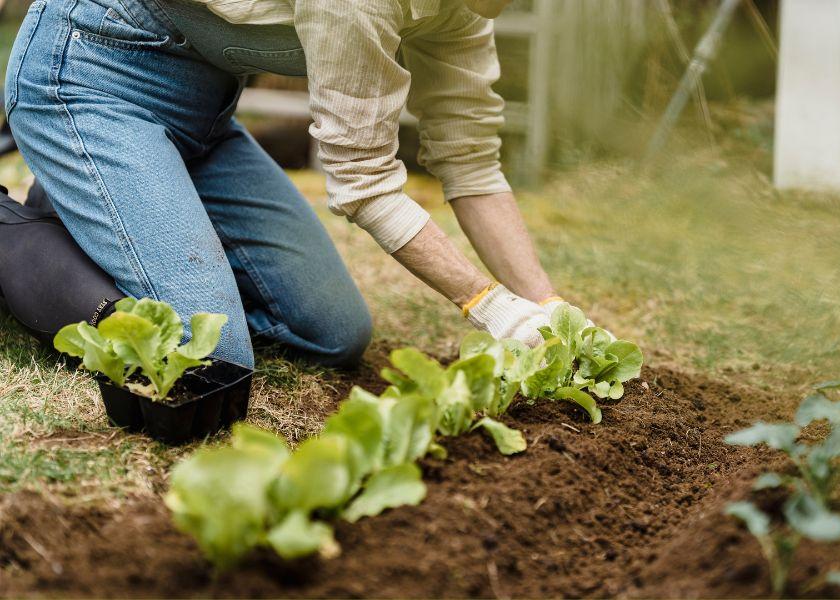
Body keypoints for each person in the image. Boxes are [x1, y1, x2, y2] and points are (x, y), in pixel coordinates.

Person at [4, 0, 586, 370]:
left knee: (334, 333)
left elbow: (471, 161)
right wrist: (488, 305)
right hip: (89, 75)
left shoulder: (467, 10)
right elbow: (363, 183)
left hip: (203, 115)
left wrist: (546, 304)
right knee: (211, 358)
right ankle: (16, 230)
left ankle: (82, 204)